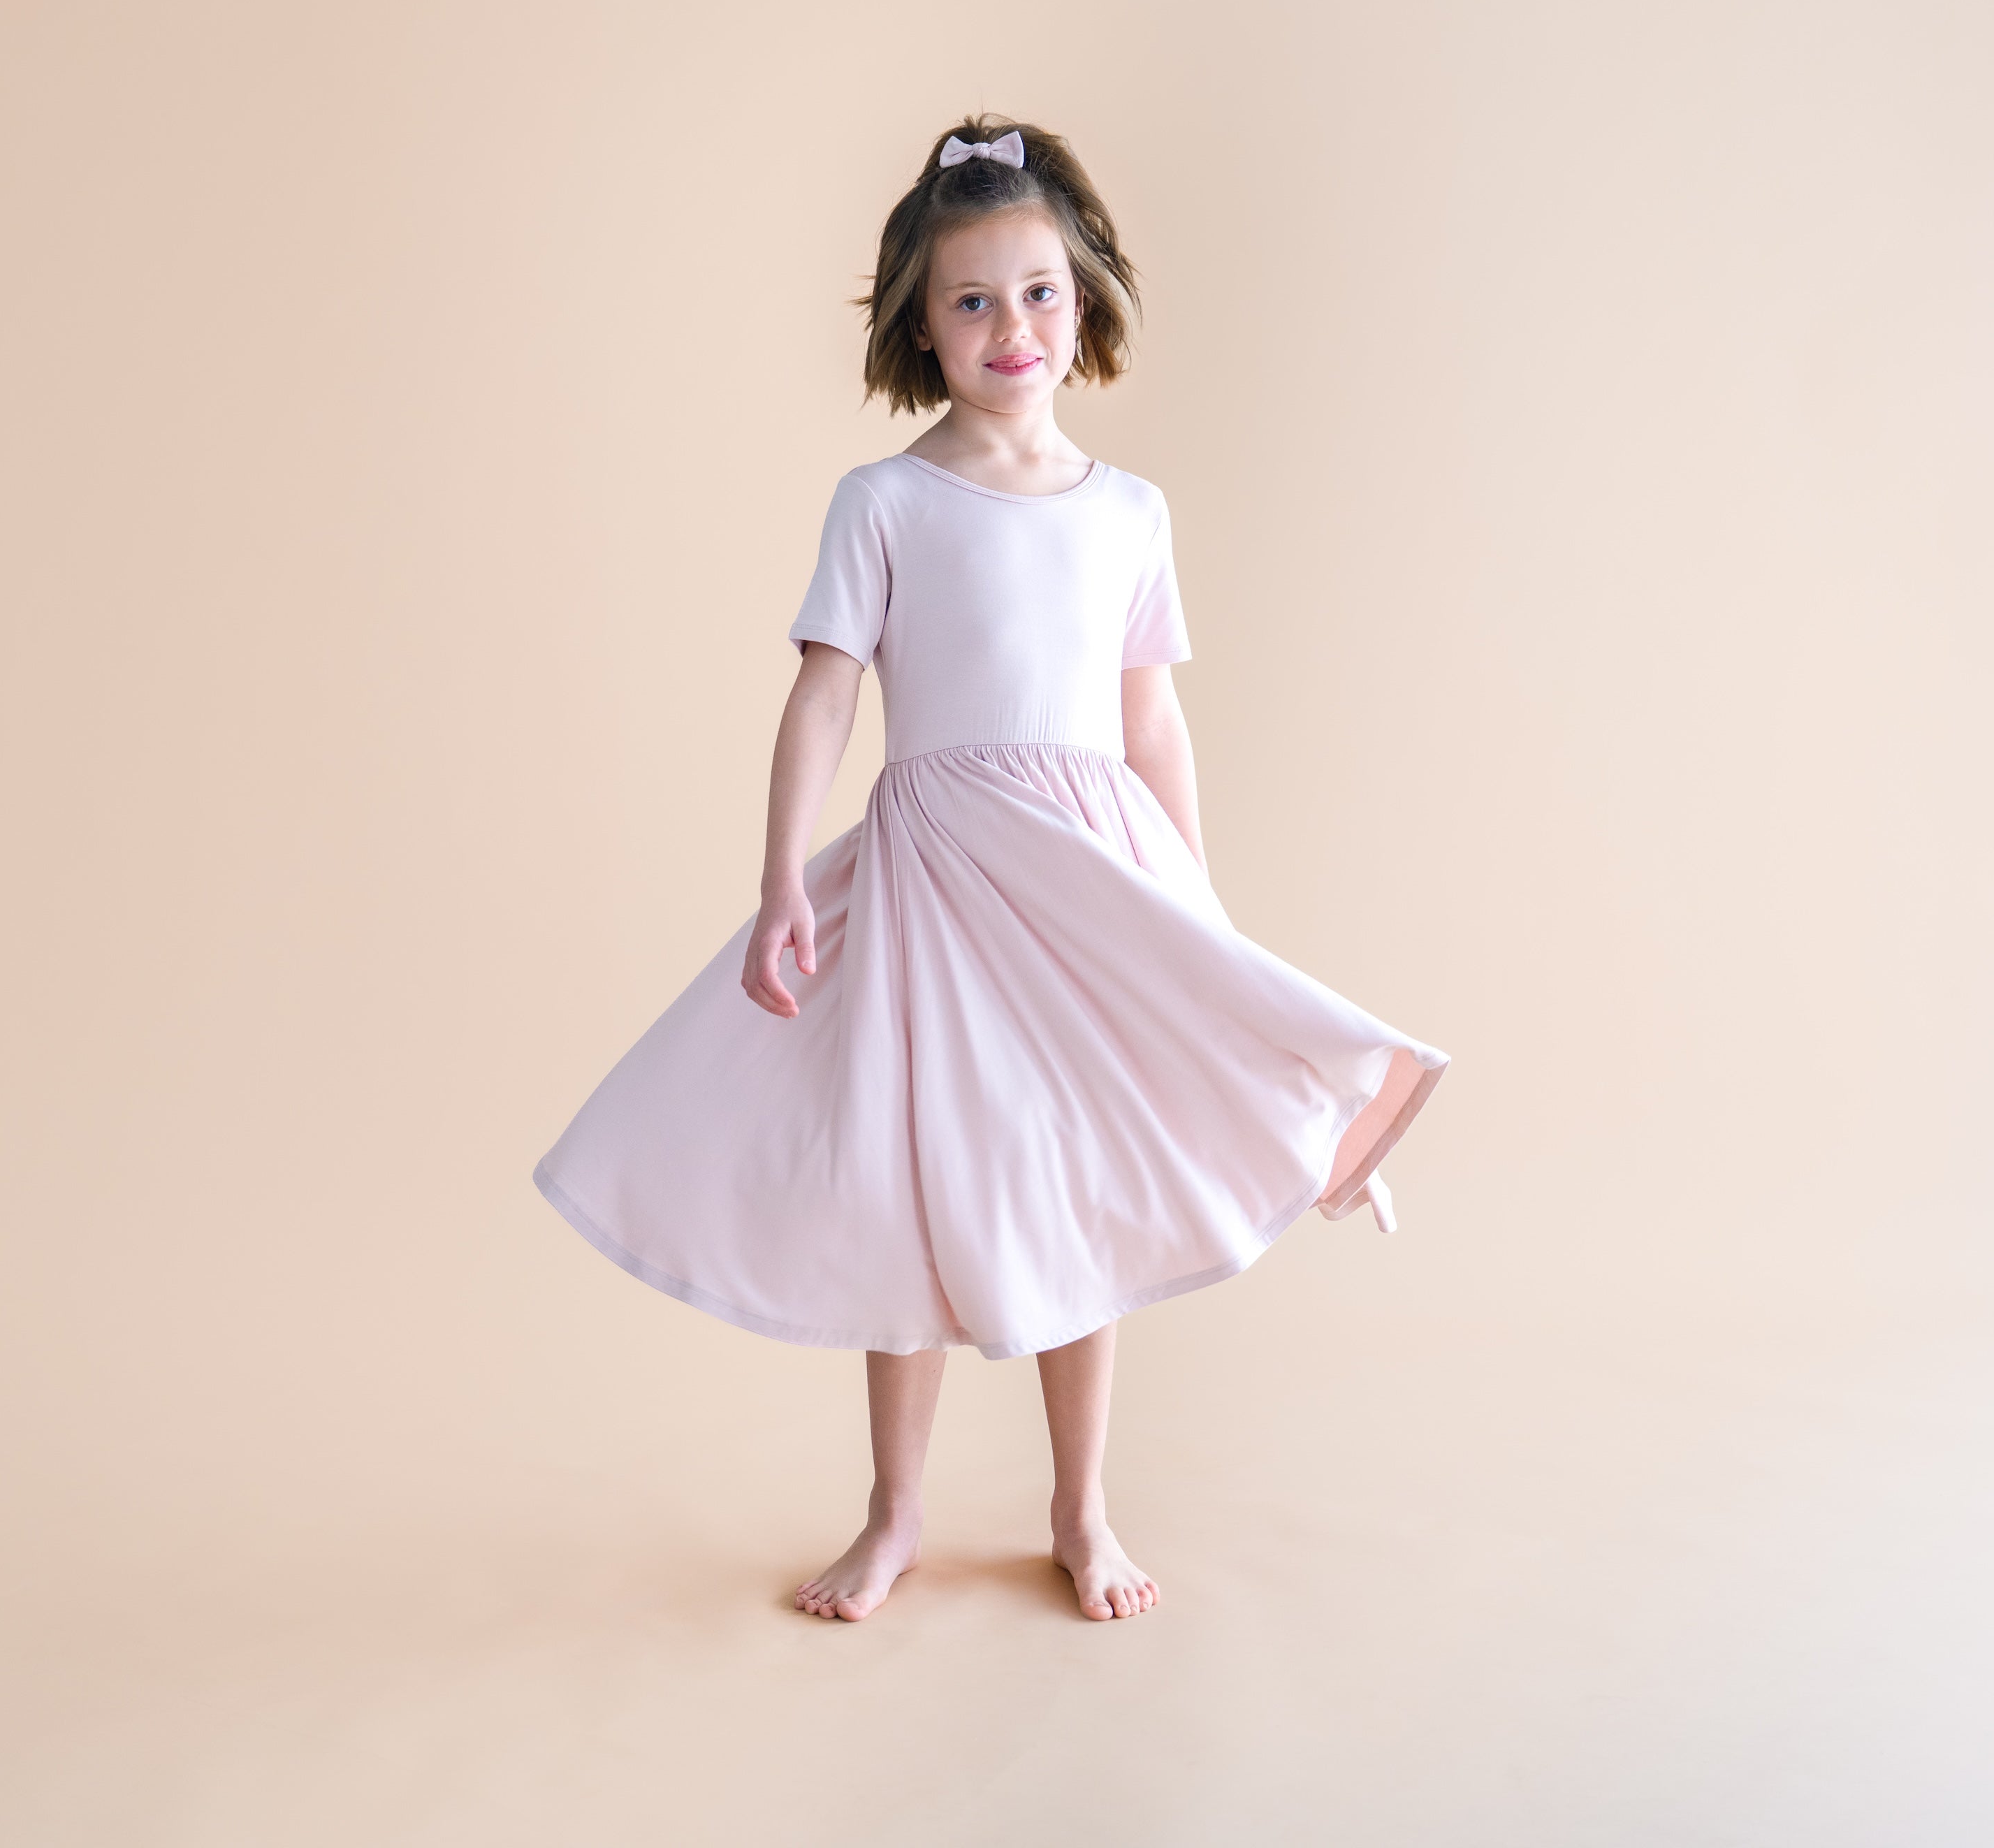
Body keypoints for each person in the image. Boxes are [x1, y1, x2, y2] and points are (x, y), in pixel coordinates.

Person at [533, 118, 1448, 1623]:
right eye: (971, 300)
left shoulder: (1130, 513)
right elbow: (824, 696)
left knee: (1078, 1184)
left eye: (1038, 293)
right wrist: (779, 879)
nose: (1010, 326)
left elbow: (1152, 721)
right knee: (911, 1181)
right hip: (936, 883)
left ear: (1082, 304)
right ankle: (893, 1514)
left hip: (1089, 884)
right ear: (921, 324)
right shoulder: (885, 502)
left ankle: (1083, 1513)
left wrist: (1193, 905)